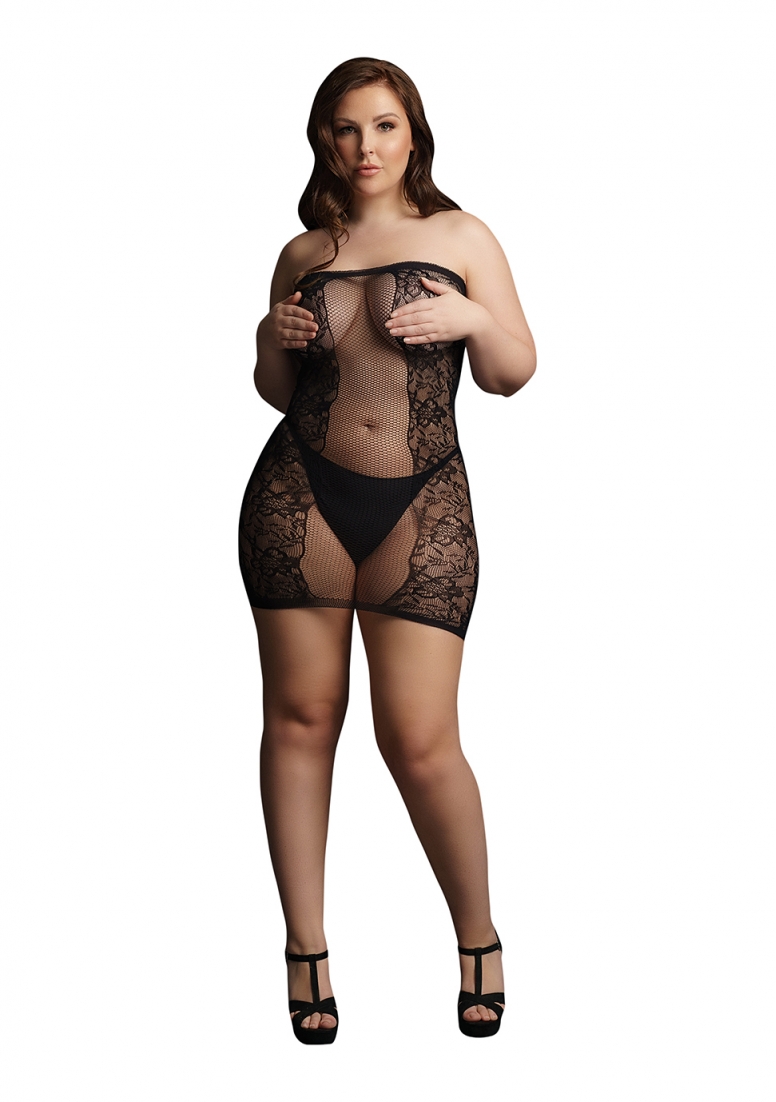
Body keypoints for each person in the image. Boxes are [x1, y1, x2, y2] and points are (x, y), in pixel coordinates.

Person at [238, 57, 536, 1043]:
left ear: (413, 134)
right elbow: (278, 392)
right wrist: (270, 336)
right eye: (344, 129)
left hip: (422, 504)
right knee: (299, 720)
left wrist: (473, 317)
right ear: (323, 141)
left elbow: (511, 372)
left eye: (382, 125)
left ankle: (478, 938)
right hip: (296, 500)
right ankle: (306, 950)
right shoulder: (303, 250)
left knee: (418, 739)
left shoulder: (461, 236)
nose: (364, 147)